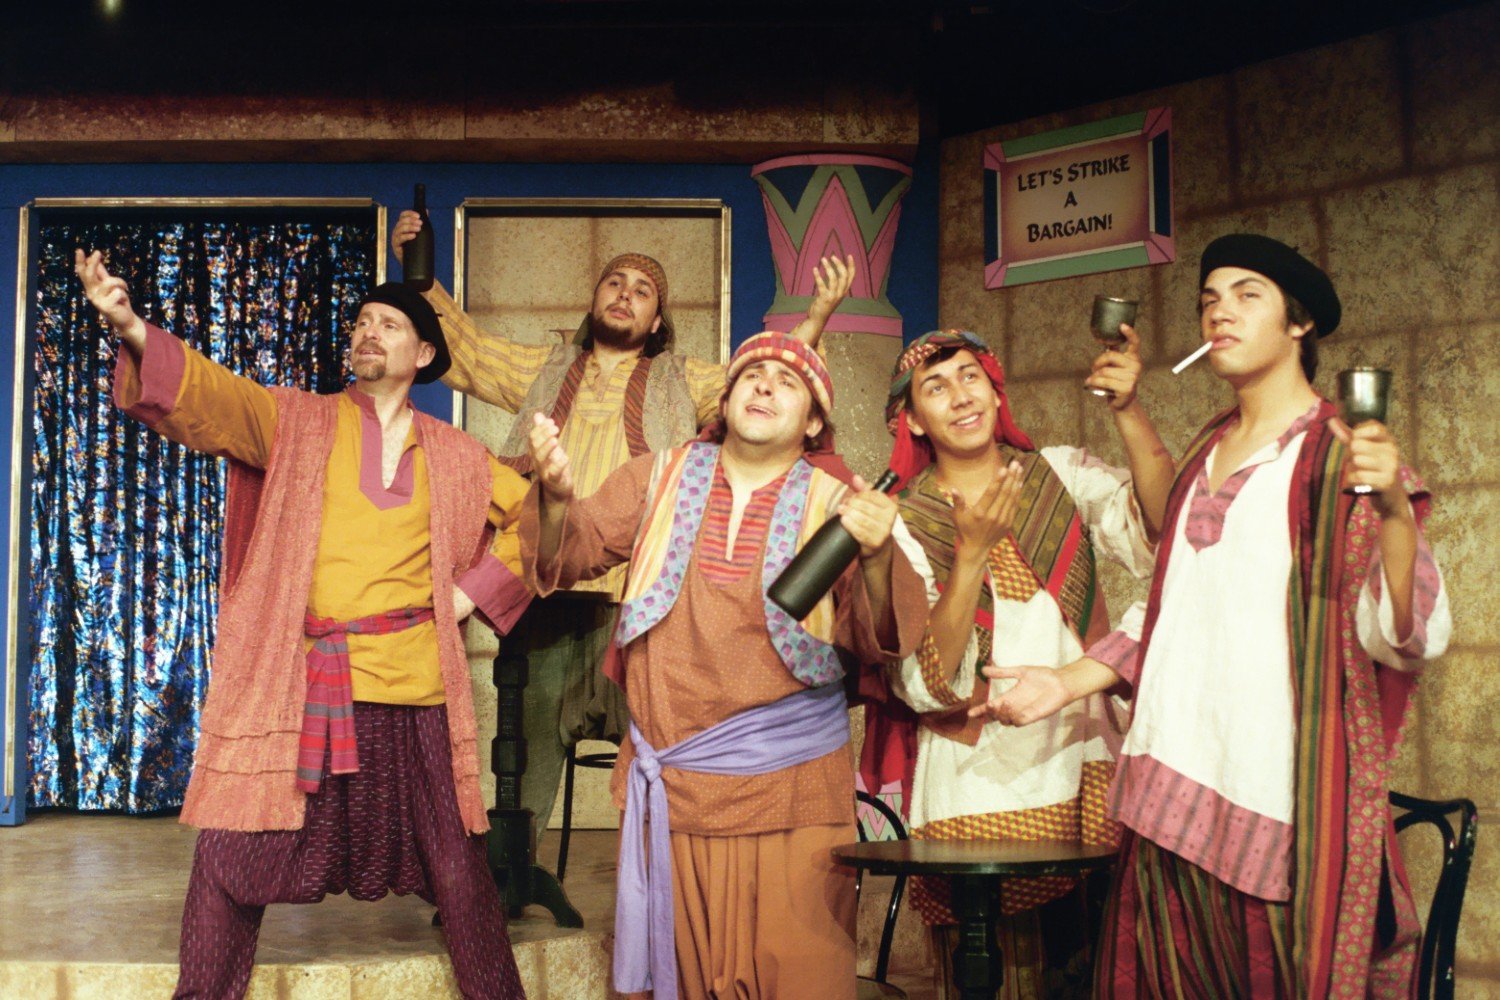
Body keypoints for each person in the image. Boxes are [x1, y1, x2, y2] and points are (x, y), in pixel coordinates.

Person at [974, 235, 1452, 997]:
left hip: (1270, 808)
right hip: (1168, 801)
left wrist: (1394, 510)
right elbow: (1173, 604)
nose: (1218, 312)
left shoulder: (1333, 460)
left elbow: (1407, 632)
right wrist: (1063, 683)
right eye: (1208, 300)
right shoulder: (1206, 449)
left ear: (1300, 325)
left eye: (1245, 295)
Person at [74, 249, 530, 1000]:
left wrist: (470, 593)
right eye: (360, 322)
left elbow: (538, 523)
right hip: (308, 686)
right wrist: (129, 326)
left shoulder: (457, 454)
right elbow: (212, 396)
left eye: (388, 324)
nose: (367, 332)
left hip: (415, 688)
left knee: (460, 871)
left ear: (423, 353)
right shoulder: (295, 419)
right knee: (228, 857)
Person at [392, 211, 853, 844]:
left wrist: (818, 317)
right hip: (549, 591)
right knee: (522, 760)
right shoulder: (544, 367)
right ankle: (507, 881)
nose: (624, 294)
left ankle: (665, 884)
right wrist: (420, 279)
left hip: (647, 601)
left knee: (662, 751)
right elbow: (468, 351)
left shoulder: (684, 380)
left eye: (642, 290)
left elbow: (771, 380)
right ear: (594, 301)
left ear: (657, 321)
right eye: (615, 282)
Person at [522, 331, 928, 1000]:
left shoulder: (842, 503)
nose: (765, 385)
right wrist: (558, 496)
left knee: (798, 979)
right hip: (672, 792)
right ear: (729, 397)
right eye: (752, 374)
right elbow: (570, 554)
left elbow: (883, 636)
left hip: (791, 793)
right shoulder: (660, 475)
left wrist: (879, 554)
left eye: (787, 381)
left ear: (815, 420)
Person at [870, 327, 1172, 998]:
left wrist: (1128, 410)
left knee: (1092, 967)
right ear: (913, 418)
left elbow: (1163, 531)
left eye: (971, 376)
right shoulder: (902, 520)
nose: (960, 396)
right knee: (991, 978)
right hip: (977, 779)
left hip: (1083, 755)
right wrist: (971, 553)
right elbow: (927, 686)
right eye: (936, 387)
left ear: (995, 387)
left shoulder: (1057, 474)